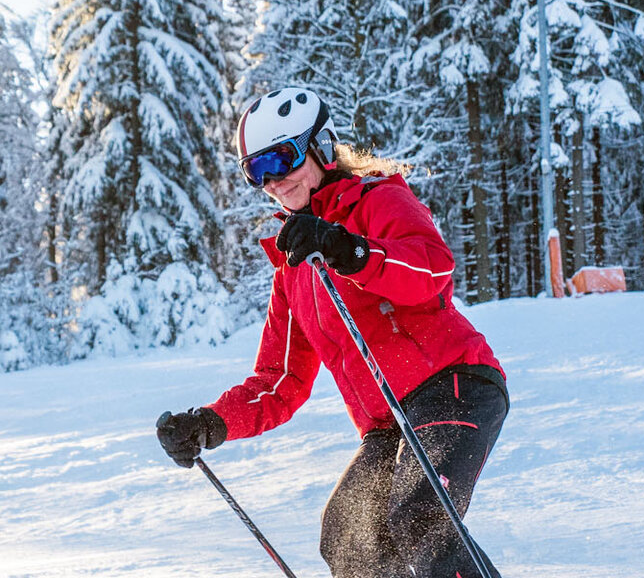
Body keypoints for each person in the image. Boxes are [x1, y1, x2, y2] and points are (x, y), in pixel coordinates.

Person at [155, 87, 509, 578]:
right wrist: (212, 423)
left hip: (454, 387)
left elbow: (432, 270)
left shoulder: (378, 199)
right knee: (347, 539)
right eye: (258, 171)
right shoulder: (293, 270)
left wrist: (352, 252)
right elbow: (278, 383)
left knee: (420, 520)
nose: (274, 181)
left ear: (321, 146)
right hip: (389, 425)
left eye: (282, 158)